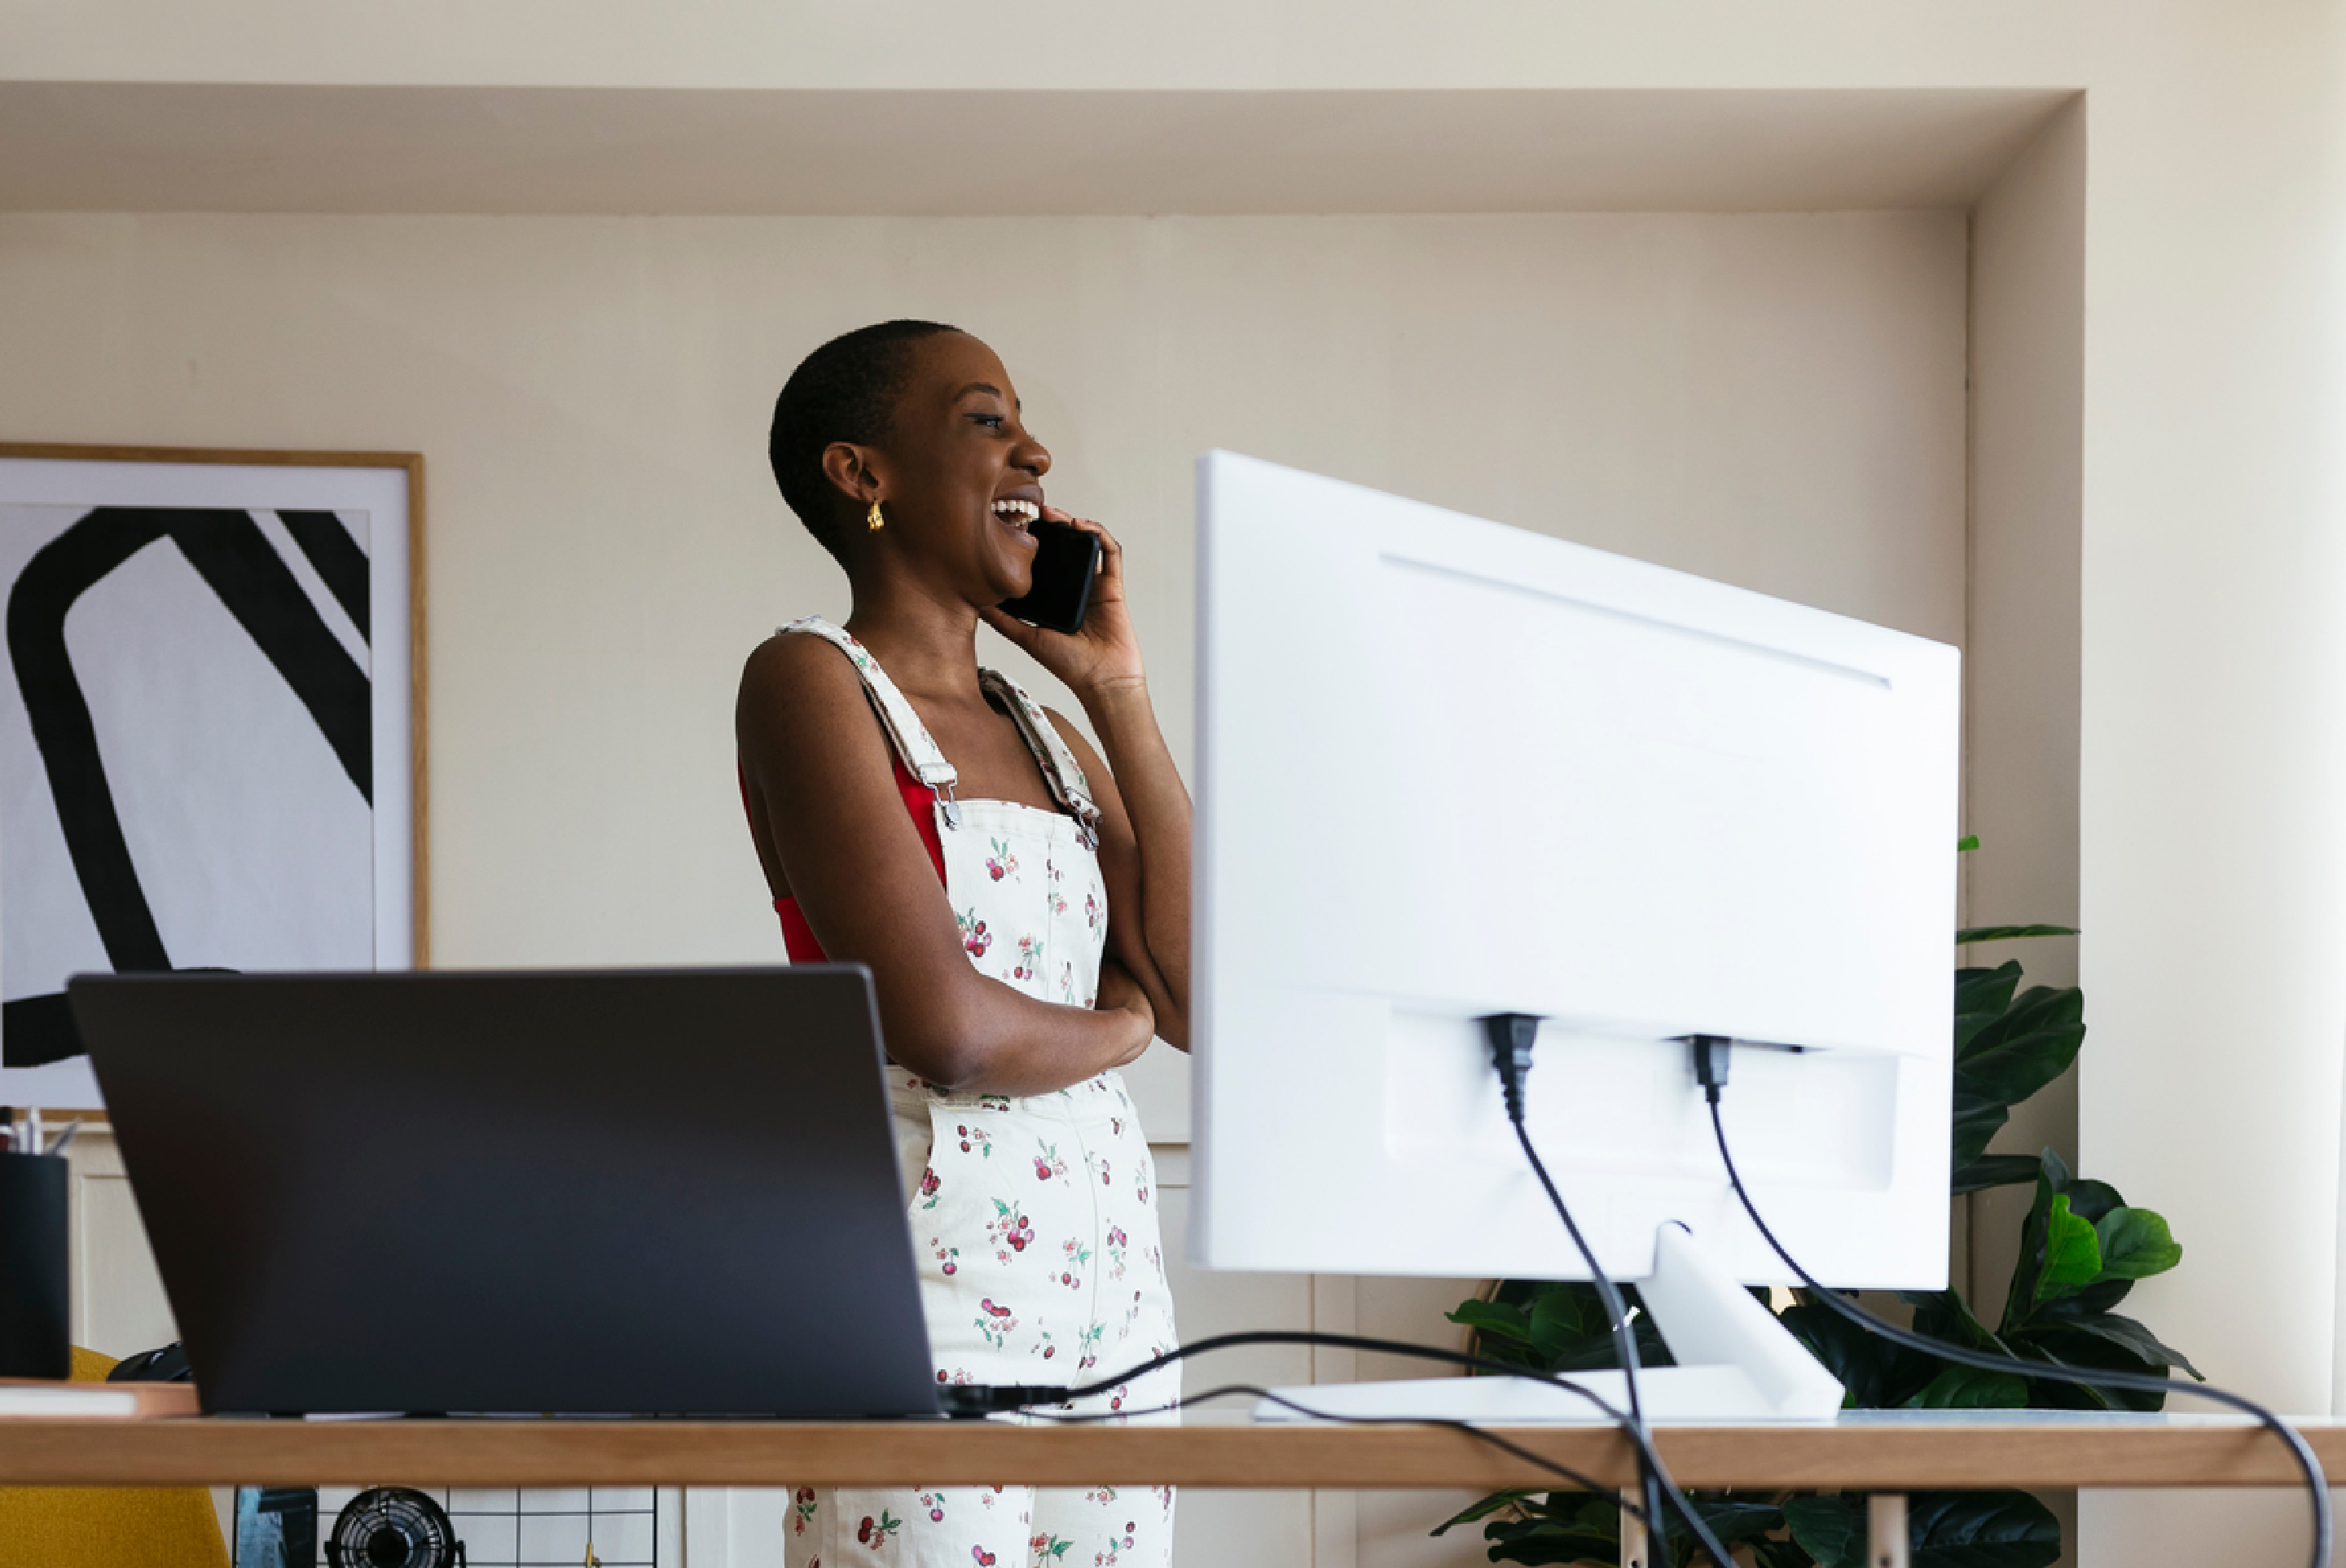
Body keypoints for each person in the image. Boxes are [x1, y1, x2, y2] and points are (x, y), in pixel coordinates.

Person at [736, 320, 1189, 1568]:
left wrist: (1120, 697)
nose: (1034, 449)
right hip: (923, 1292)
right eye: (987, 419)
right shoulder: (808, 681)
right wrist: (1120, 1027)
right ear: (861, 474)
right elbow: (948, 1025)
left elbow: (1202, 995)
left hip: (1117, 1307)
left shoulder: (1050, 730)